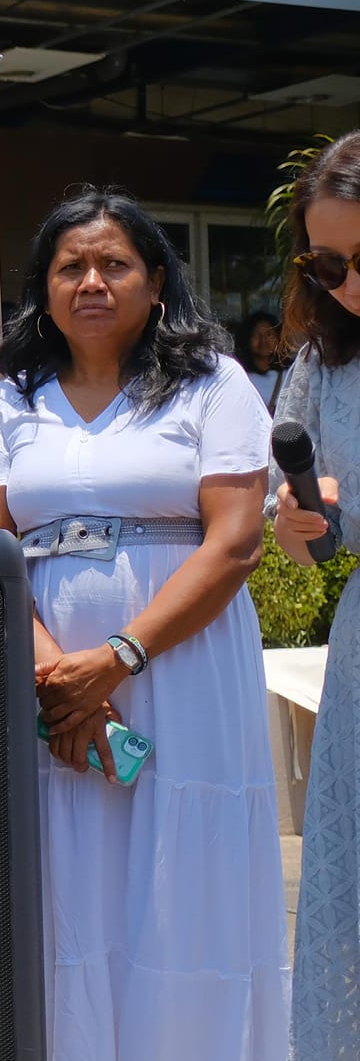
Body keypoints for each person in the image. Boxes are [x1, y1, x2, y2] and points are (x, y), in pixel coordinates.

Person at [0, 187, 289, 1060]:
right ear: (44, 289)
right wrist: (59, 679)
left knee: (186, 883)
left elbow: (236, 543)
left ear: (155, 282)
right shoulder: (11, 401)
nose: (92, 281)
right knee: (70, 882)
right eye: (71, 267)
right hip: (49, 682)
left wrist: (117, 657)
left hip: (181, 669)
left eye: (114, 264)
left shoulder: (212, 386)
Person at [270, 131, 360, 1060]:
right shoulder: (321, 369)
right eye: (328, 263)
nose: (348, 284)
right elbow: (307, 540)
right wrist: (300, 525)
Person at [239, 309, 289, 410]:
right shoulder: (240, 376)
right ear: (247, 339)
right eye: (256, 335)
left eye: (269, 334)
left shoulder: (290, 374)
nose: (263, 340)